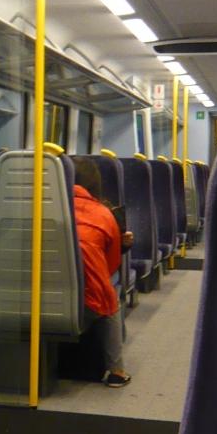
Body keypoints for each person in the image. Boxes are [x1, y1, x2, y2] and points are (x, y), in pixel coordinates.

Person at [71, 158, 132, 387]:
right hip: (87, 306)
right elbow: (111, 264)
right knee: (109, 295)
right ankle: (116, 371)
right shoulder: (104, 215)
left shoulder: (42, 208)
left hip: (37, 301)